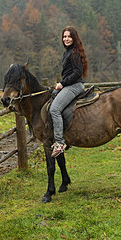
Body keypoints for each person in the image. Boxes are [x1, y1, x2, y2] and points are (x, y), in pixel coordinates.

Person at [50, 26, 88, 158]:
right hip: (69, 85)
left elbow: (77, 72)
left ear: (74, 38)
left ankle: (60, 142)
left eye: (69, 36)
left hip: (74, 86)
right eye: (64, 36)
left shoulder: (74, 53)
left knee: (54, 109)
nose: (66, 39)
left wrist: (62, 83)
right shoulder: (67, 52)